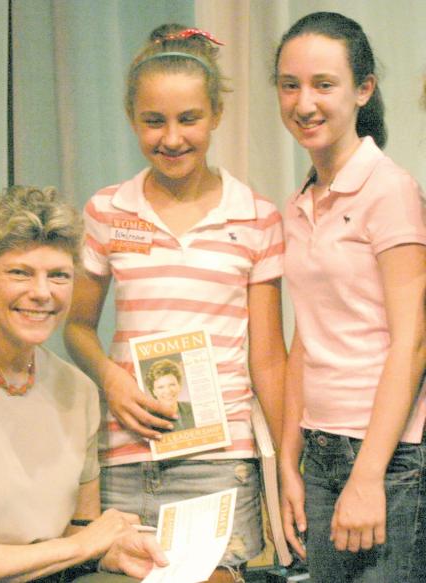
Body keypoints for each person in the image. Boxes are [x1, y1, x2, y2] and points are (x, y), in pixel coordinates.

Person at [63, 24, 287, 583]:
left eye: (189, 119)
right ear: (132, 118)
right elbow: (77, 328)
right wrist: (112, 381)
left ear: (215, 115)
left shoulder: (257, 217)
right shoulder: (107, 210)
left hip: (220, 460)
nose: (172, 137)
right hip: (123, 458)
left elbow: (269, 359)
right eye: (153, 121)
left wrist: (289, 465)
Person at [0, 186, 167, 582]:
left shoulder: (79, 389)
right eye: (20, 273)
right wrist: (84, 546)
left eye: (58, 276)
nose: (41, 293)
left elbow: (78, 531)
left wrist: (113, 552)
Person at [273, 12, 426, 582]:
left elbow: (412, 342)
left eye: (323, 84)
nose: (304, 102)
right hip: (320, 451)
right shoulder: (297, 204)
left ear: (363, 89)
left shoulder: (391, 190)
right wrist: (288, 462)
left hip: (389, 458)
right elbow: (303, 342)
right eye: (290, 85)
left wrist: (367, 476)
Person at [144, 359, 194, 431]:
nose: (168, 391)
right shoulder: (149, 418)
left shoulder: (192, 408)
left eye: (172, 385)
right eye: (161, 387)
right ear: (153, 391)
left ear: (179, 386)